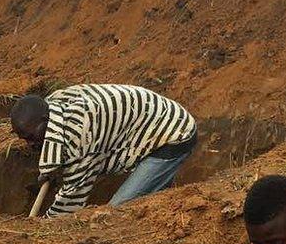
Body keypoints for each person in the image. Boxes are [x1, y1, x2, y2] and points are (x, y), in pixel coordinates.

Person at [11, 84, 198, 217]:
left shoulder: (80, 134)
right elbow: (55, 141)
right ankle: (159, 195)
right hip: (145, 123)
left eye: (31, 137)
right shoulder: (53, 104)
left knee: (117, 212)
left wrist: (44, 227)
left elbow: (70, 202)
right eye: (24, 138)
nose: (30, 144)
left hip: (172, 134)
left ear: (46, 119)